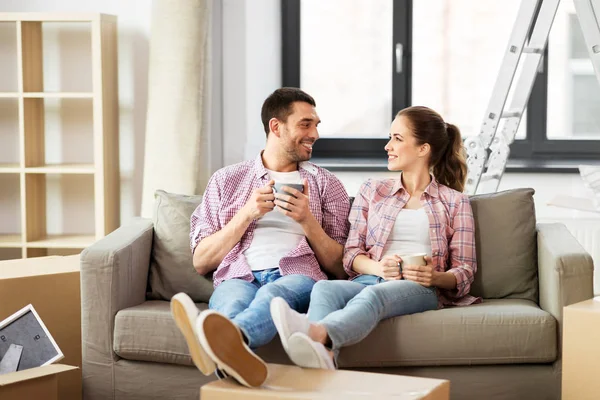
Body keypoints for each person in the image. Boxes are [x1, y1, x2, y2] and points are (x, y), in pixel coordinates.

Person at [269, 106, 480, 370]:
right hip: (371, 276)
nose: (388, 146)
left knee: (374, 297)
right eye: (390, 137)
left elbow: (465, 269)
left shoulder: (455, 201)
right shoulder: (373, 190)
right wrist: (379, 267)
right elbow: (352, 253)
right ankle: (322, 360)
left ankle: (316, 336)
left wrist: (435, 277)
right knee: (324, 288)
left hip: (420, 288)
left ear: (422, 149)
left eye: (397, 139)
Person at [170, 88, 351, 387]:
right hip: (238, 276)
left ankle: (214, 345)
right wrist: (246, 214)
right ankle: (230, 354)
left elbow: (342, 268)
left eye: (317, 124)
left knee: (271, 297)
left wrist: (308, 221)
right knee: (230, 304)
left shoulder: (326, 184)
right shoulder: (226, 180)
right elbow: (201, 261)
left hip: (297, 274)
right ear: (276, 127)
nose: (315, 133)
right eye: (306, 124)